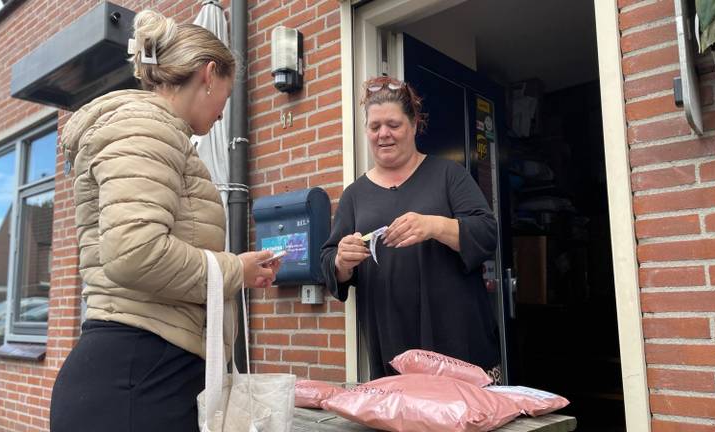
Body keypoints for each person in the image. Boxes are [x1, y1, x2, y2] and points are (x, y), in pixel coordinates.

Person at [50, 10, 279, 432]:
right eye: (225, 100)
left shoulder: (159, 133)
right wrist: (234, 270)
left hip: (144, 375)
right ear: (208, 75)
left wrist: (237, 272)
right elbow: (136, 254)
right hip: (136, 384)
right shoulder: (146, 129)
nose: (221, 116)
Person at [320, 76, 501, 381]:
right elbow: (328, 263)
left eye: (393, 124)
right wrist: (341, 261)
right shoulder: (354, 194)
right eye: (375, 127)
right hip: (392, 347)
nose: (383, 134)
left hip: (459, 342)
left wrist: (434, 225)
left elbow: (486, 233)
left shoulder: (449, 175)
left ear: (414, 124)